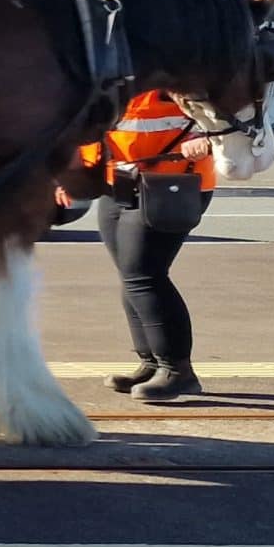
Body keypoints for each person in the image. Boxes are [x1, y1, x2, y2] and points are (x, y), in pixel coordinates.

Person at [85, 89, 216, 402]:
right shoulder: (110, 65)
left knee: (143, 275)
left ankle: (177, 370)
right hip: (119, 178)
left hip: (171, 181)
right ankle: (151, 362)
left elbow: (230, 109)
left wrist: (206, 135)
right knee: (131, 277)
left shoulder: (178, 64)